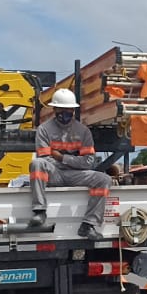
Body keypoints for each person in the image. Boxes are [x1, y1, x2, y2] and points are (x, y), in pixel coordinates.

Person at [27, 88, 113, 240]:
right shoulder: (44, 129)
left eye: (69, 110)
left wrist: (61, 158)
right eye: (62, 110)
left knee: (104, 179)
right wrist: (74, 161)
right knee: (37, 164)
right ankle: (40, 211)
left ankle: (89, 225)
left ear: (74, 110)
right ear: (55, 109)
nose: (66, 114)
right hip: (55, 174)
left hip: (75, 174)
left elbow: (89, 162)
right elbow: (45, 158)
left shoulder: (83, 131)